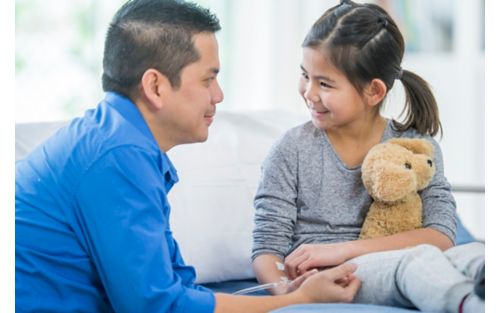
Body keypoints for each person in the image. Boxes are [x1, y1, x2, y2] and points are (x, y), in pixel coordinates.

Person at [14, 0, 362, 312]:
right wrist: (297, 300)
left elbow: (177, 287)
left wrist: (284, 291)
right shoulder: (116, 158)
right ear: (155, 87)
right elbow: (157, 307)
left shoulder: (119, 140)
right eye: (208, 79)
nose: (219, 95)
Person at [251, 1, 485, 312]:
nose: (309, 92)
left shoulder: (417, 147)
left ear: (374, 91)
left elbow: (441, 236)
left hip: (405, 257)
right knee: (415, 263)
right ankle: (472, 306)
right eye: (305, 75)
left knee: (476, 255)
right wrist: (289, 295)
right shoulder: (291, 149)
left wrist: (342, 249)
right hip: (338, 277)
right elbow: (268, 246)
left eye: (325, 83)